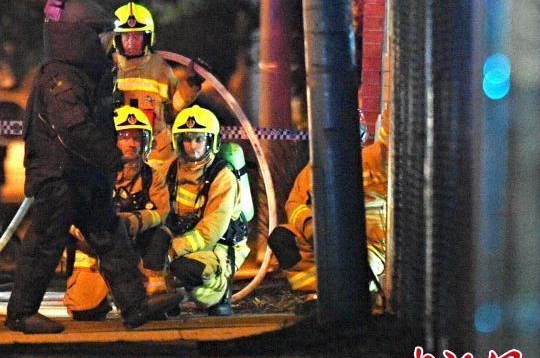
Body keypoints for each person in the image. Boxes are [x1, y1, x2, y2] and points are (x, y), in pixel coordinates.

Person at [5, 0, 183, 334]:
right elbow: (74, 129)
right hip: (59, 176)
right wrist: (111, 158)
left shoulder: (85, 73)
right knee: (44, 243)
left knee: (111, 237)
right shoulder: (61, 78)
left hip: (83, 174)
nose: (107, 42)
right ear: (80, 36)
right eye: (100, 35)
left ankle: (135, 306)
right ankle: (21, 314)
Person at [141, 105, 250, 317]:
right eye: (187, 139)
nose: (193, 146)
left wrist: (172, 250)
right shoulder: (169, 169)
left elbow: (211, 231)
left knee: (185, 269)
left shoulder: (222, 177)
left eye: (199, 139)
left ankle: (220, 290)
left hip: (218, 246)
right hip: (181, 240)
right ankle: (166, 297)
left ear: (212, 142)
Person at [63, 106, 171, 320]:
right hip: (95, 251)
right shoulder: (91, 174)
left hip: (135, 248)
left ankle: (153, 294)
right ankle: (101, 296)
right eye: (124, 136)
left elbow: (161, 212)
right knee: (84, 311)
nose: (131, 143)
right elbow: (70, 216)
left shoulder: (152, 177)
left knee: (161, 235)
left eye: (137, 138)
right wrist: (96, 234)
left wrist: (131, 222)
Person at [267, 113, 390, 295]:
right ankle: (326, 290)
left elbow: (388, 151)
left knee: (360, 269)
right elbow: (295, 204)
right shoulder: (316, 168)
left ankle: (353, 289)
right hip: (327, 239)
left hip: (369, 244)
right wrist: (311, 226)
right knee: (283, 238)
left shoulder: (374, 161)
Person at [111, 2, 201, 173]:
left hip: (158, 155)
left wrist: (191, 84)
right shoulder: (108, 67)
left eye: (137, 36)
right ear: (117, 39)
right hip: (120, 154)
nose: (131, 42)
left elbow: (175, 108)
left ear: (147, 38)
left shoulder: (159, 68)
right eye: (126, 36)